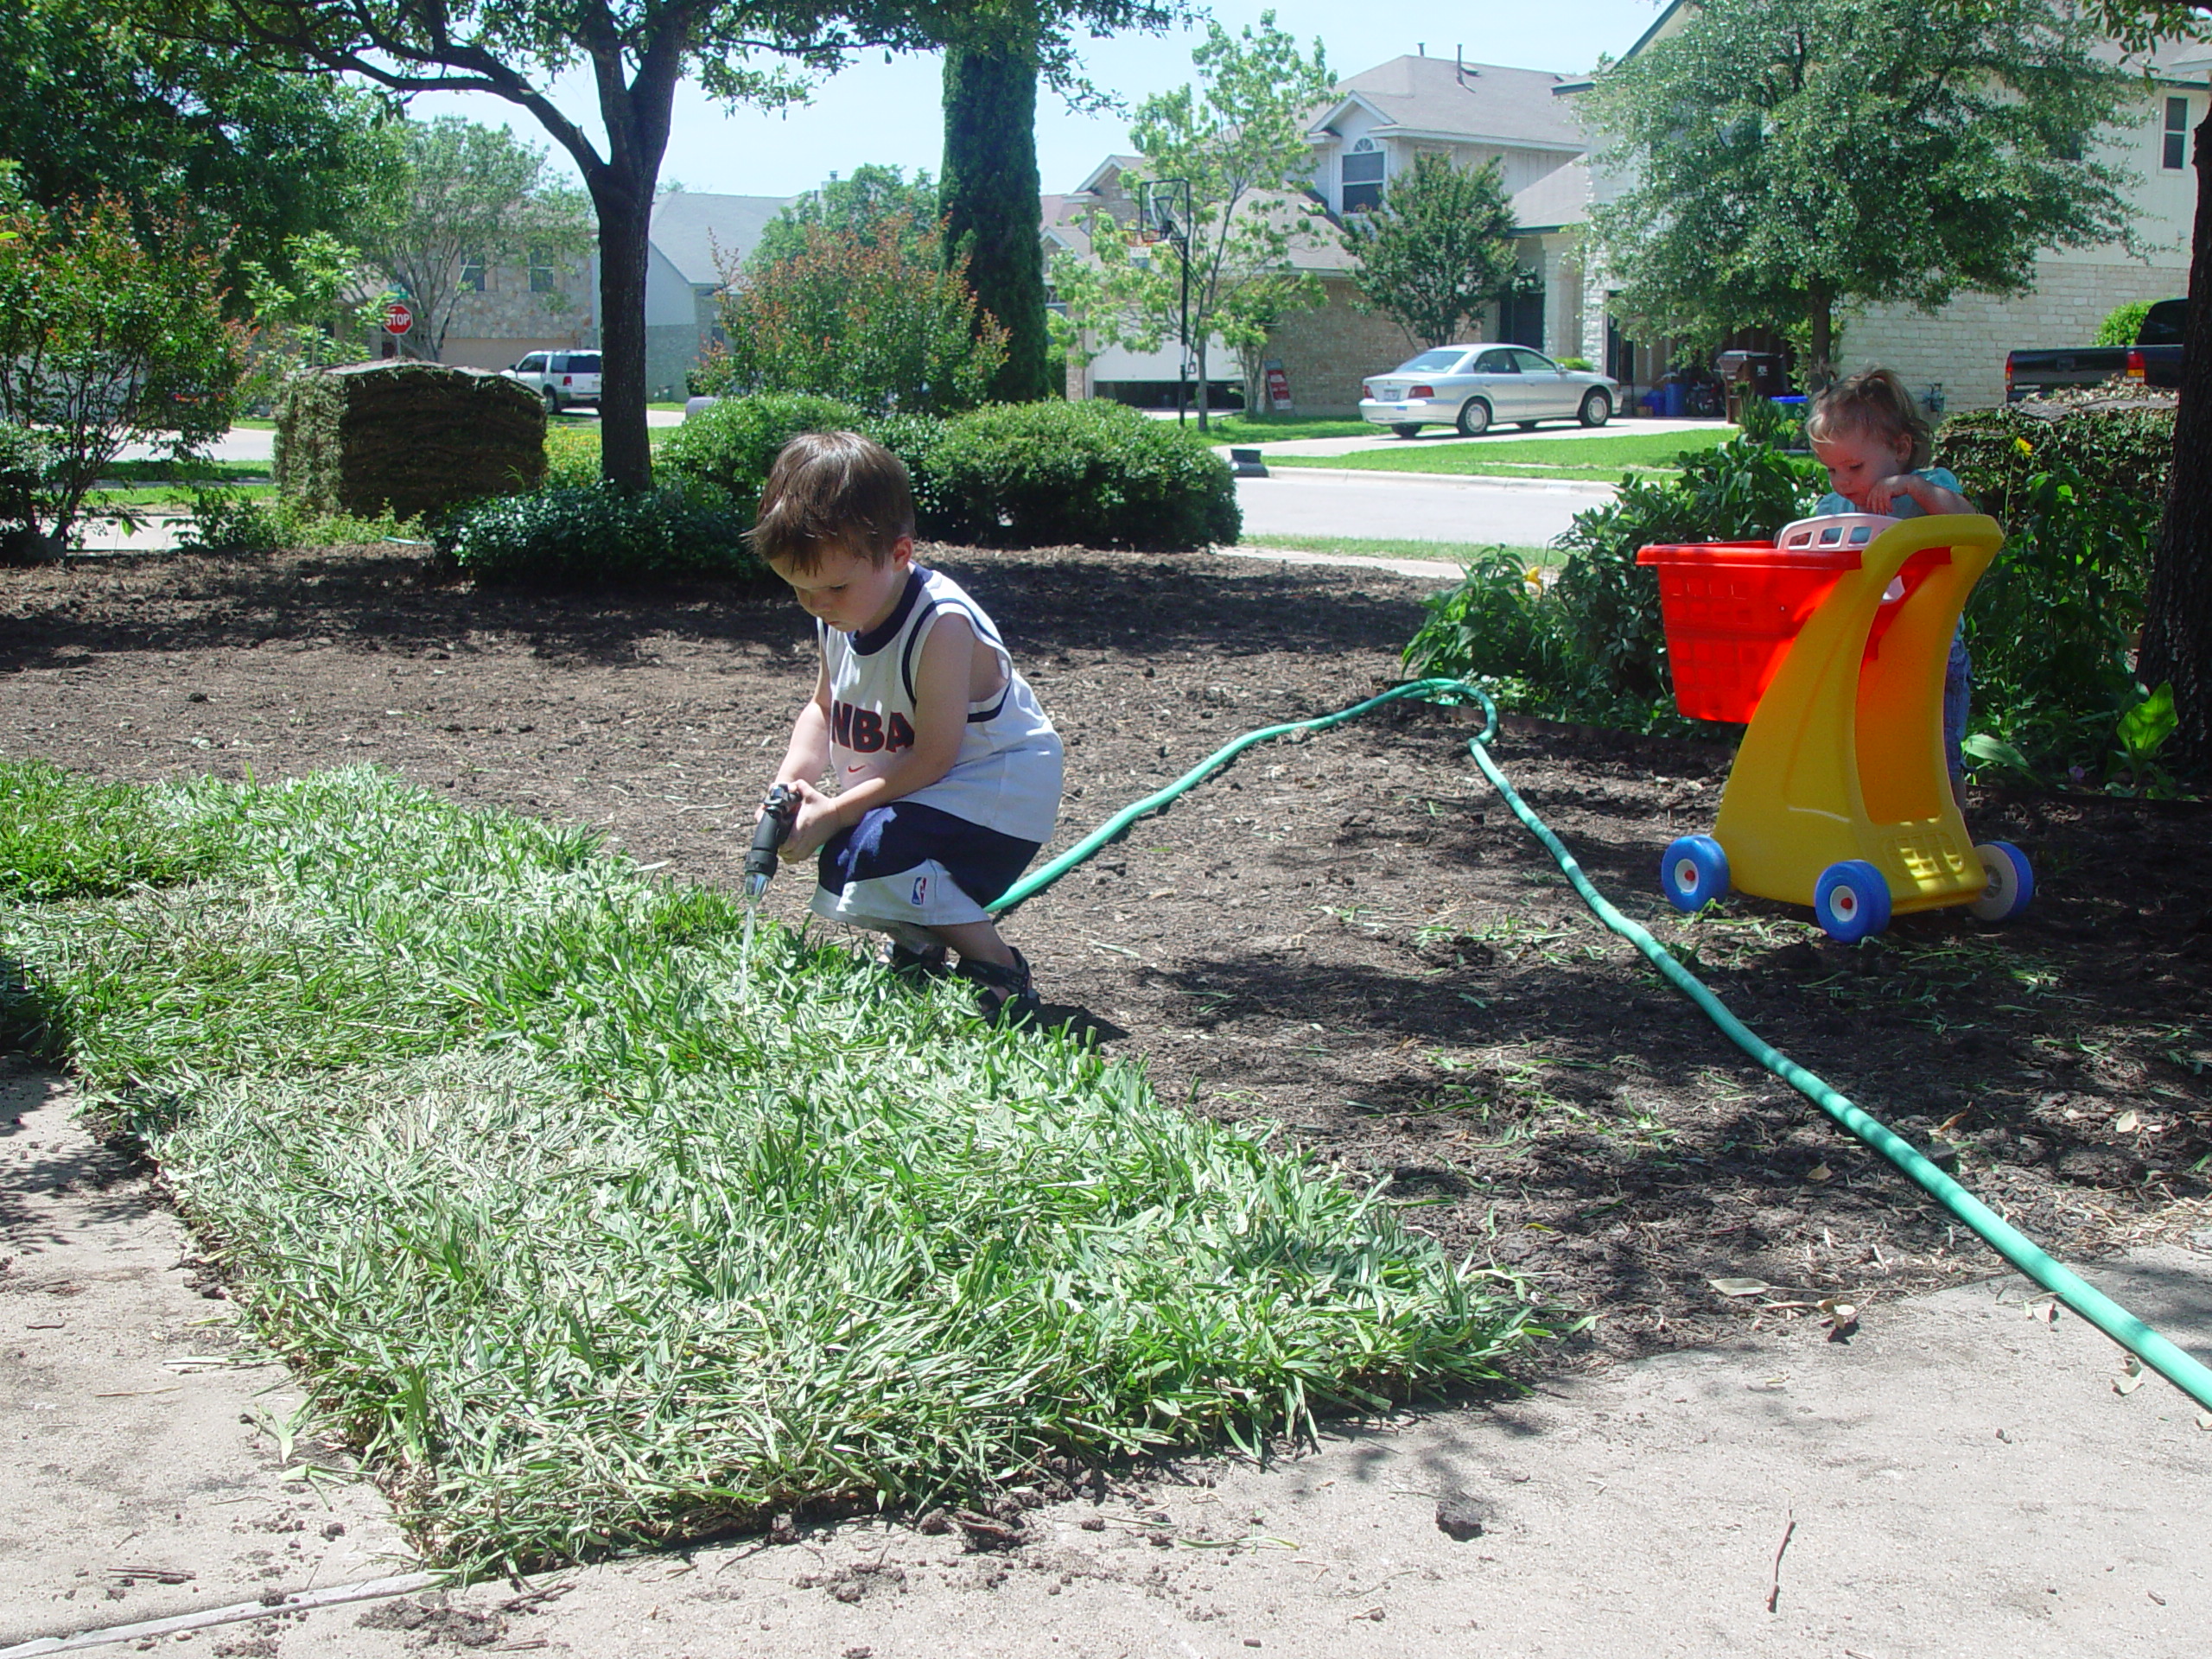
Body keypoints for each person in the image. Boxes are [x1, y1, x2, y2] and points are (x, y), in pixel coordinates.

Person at [751, 429, 1063, 1024]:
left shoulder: (942, 626)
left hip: (992, 796)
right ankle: (920, 953)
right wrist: (790, 788)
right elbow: (822, 708)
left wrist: (838, 810)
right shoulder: (841, 612)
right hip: (926, 791)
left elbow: (934, 759)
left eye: (833, 586)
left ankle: (999, 969)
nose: (817, 603)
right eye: (799, 588)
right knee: (849, 854)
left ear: (899, 554)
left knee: (869, 852)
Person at [1805, 368, 1976, 795]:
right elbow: (1805, 551)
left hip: (1931, 650)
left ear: (1900, 449)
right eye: (1831, 470)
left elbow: (1973, 524)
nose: (1843, 482)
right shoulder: (1837, 505)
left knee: (1937, 754)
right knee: (1867, 753)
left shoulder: (1928, 491)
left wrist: (1915, 489)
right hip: (1866, 650)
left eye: (1854, 467)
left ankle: (1951, 831)